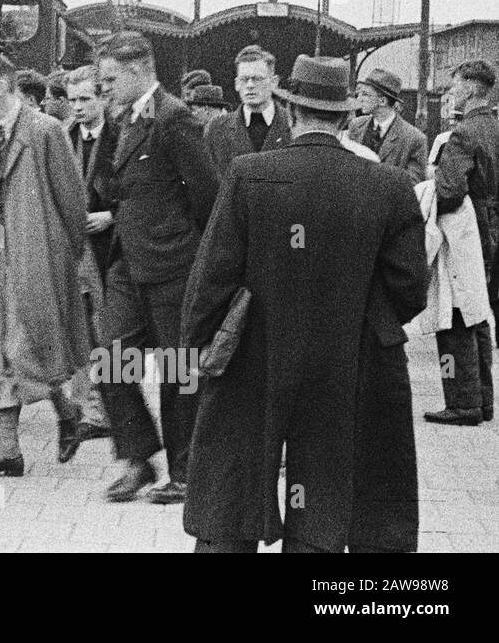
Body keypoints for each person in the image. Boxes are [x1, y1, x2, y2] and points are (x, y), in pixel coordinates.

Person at [181, 55, 428, 552]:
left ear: (290, 111)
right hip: (349, 357)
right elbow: (410, 290)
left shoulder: (249, 175)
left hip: (257, 349)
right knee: (324, 484)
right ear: (345, 118)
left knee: (234, 484)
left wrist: (197, 345)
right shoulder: (388, 185)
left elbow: (212, 279)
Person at [95, 31, 218, 503]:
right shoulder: (124, 118)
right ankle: (139, 456)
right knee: (110, 358)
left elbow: (207, 194)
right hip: (128, 261)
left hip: (174, 265)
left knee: (178, 369)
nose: (103, 87)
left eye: (109, 79)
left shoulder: (173, 117)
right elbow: (112, 184)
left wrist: (204, 264)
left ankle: (185, 473)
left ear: (137, 71)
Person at [0, 54, 94, 478]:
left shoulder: (45, 131)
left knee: (28, 346)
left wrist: (64, 258)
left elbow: (72, 201)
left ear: (2, 85)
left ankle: (66, 409)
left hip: (32, 257)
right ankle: (8, 450)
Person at [426, 59, 498, 426]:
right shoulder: (495, 127)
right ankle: (483, 401)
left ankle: (462, 402)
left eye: (454, 87)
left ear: (469, 90)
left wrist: (430, 188)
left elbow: (450, 191)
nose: (452, 94)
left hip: (468, 232)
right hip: (492, 230)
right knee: (480, 314)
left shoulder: (463, 134)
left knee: (453, 317)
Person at [64, 64, 118, 445]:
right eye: (72, 100)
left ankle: (106, 408)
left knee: (108, 330)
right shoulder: (64, 136)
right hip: (73, 249)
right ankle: (87, 405)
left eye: (85, 99)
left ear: (102, 98)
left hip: (110, 249)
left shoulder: (121, 137)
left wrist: (111, 215)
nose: (78, 107)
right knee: (78, 328)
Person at [204, 45, 292, 176]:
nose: (250, 85)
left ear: (274, 82)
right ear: (236, 84)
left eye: (257, 79)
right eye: (244, 79)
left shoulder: (292, 124)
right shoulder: (217, 128)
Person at [348, 69, 429, 184]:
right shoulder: (356, 126)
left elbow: (412, 185)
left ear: (382, 101)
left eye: (365, 94)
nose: (359, 98)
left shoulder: (415, 139)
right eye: (359, 93)